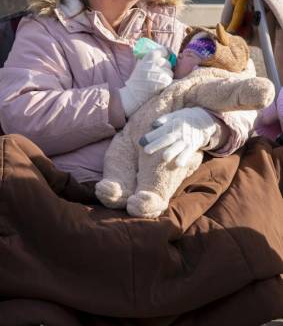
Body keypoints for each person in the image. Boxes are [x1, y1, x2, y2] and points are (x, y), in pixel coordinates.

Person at [0, 0, 257, 189]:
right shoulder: (46, 31)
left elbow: (245, 87)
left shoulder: (167, 27)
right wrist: (121, 101)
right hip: (86, 186)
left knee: (258, 173)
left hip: (173, 182)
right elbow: (20, 115)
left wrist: (206, 126)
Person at [96, 24, 274, 218]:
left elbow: (231, 91)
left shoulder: (197, 80)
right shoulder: (58, 33)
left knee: (168, 155)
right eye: (182, 53)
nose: (179, 55)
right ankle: (118, 184)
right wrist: (128, 96)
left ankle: (152, 194)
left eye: (188, 54)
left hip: (171, 140)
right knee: (120, 150)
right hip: (127, 136)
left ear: (209, 64)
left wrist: (210, 124)